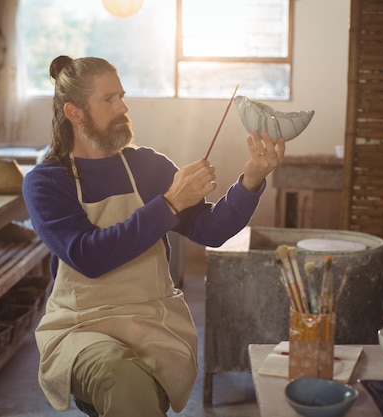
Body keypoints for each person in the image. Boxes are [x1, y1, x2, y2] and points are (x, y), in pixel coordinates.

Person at [22, 55, 286, 417]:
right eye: (108, 99)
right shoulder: (47, 182)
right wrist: (171, 202)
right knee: (123, 377)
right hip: (81, 326)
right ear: (74, 112)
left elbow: (212, 230)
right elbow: (88, 256)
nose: (123, 106)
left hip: (153, 320)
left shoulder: (146, 166)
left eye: (122, 96)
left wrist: (252, 177)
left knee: (137, 391)